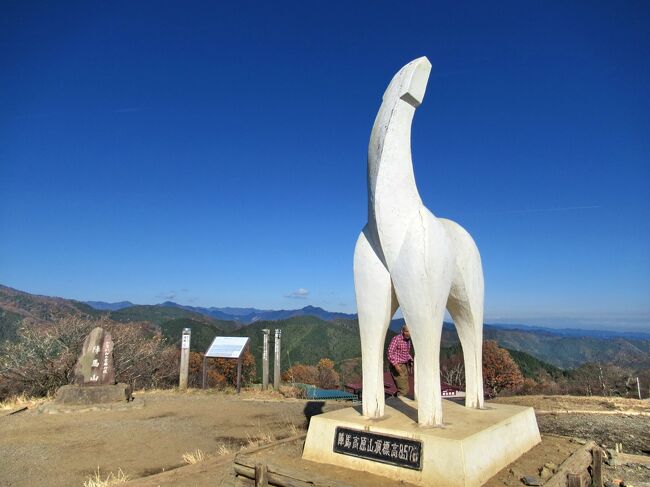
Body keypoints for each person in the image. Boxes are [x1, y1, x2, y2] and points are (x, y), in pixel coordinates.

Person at [387, 324, 413, 396]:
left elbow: (405, 353)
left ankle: (393, 398)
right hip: (397, 366)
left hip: (404, 365)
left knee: (406, 389)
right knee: (403, 391)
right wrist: (396, 365)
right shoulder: (397, 339)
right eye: (407, 331)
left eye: (410, 331)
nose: (408, 333)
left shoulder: (408, 341)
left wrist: (410, 359)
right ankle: (395, 402)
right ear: (402, 331)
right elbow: (390, 352)